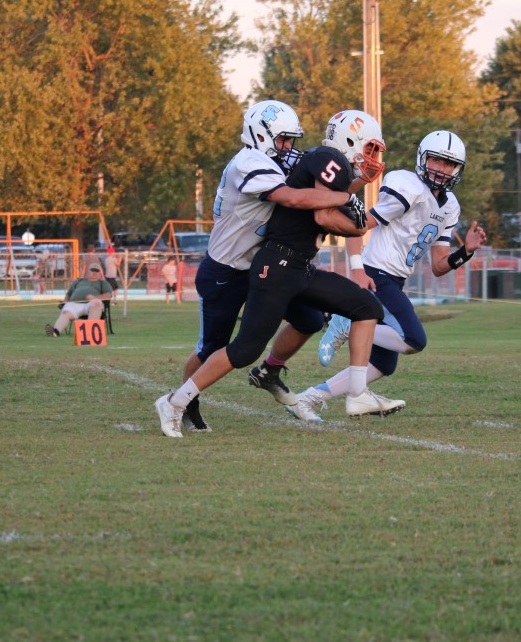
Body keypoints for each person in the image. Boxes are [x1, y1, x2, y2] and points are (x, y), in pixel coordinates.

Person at [155, 108, 387, 438]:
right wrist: (349, 198)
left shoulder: (279, 160)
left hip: (269, 264)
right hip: (228, 268)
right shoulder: (249, 162)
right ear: (260, 134)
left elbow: (320, 192)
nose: (288, 147)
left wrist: (354, 188)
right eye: (283, 140)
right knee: (217, 348)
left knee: (309, 320)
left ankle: (270, 372)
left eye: (290, 140)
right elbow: (293, 198)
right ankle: (183, 402)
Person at [304, 130, 488, 416]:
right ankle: (348, 325)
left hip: (395, 280)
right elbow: (358, 224)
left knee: (382, 364)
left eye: (450, 164)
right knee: (413, 339)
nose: (442, 169)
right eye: (437, 161)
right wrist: (357, 268)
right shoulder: (408, 186)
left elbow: (439, 266)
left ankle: (309, 397)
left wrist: (466, 251)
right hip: (377, 274)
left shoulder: (450, 206)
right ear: (423, 159)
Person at [45, 262, 112, 337]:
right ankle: (55, 332)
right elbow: (69, 294)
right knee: (67, 311)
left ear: (100, 274)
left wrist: (94, 298)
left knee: (97, 304)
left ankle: (89, 332)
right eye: (92, 271)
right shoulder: (78, 281)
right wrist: (65, 301)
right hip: (74, 304)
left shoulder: (103, 283)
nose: (94, 273)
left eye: (97, 271)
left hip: (91, 304)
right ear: (88, 272)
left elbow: (108, 295)